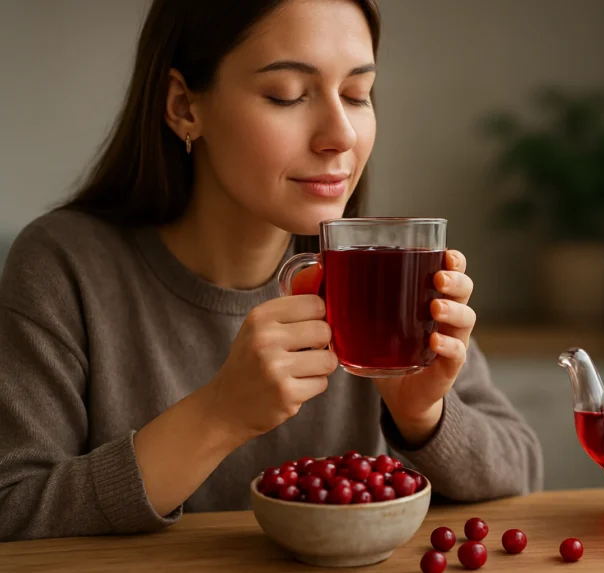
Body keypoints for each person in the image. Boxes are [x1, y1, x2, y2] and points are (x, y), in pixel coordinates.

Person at [0, 0, 543, 541]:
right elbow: (13, 507)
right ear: (185, 106)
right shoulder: (64, 266)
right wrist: (217, 415)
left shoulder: (378, 271)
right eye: (289, 95)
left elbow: (522, 472)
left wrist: (422, 414)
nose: (342, 135)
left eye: (357, 95)